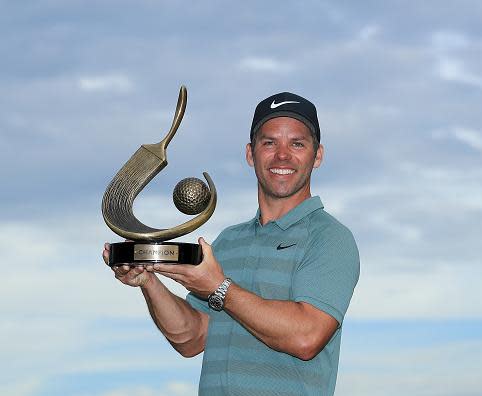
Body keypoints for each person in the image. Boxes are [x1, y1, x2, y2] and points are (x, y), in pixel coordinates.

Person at [103, 91, 360, 395]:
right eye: (269, 142)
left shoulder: (330, 238)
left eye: (297, 143)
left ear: (317, 156)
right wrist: (149, 281)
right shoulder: (228, 241)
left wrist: (219, 287)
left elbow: (307, 337)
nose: (282, 155)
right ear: (251, 153)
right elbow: (192, 338)